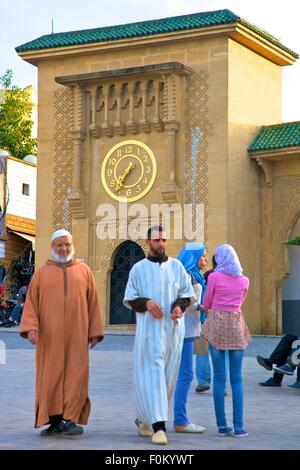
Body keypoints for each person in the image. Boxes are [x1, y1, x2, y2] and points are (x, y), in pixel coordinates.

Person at [20, 229, 104, 436]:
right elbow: (31, 303)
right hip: (49, 337)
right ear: (52, 247)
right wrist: (31, 328)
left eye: (67, 244)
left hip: (78, 336)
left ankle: (71, 420)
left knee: (76, 376)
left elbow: (93, 303)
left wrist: (95, 331)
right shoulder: (41, 273)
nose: (64, 248)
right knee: (50, 377)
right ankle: (54, 421)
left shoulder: (84, 271)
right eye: (60, 245)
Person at [123, 226, 194, 445]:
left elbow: (186, 295)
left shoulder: (177, 266)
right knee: (152, 375)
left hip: (172, 332)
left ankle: (144, 419)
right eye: (156, 240)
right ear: (148, 242)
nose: (161, 243)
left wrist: (178, 307)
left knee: (167, 379)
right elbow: (130, 298)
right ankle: (159, 427)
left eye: (163, 240)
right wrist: (147, 302)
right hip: (149, 333)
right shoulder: (138, 269)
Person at [201, 244, 251, 437]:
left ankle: (222, 425)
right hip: (236, 326)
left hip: (217, 327)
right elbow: (240, 303)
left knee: (219, 377)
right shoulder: (245, 280)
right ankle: (239, 427)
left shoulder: (213, 277)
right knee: (237, 378)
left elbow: (207, 304)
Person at [173, 242, 207, 434]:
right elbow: (189, 302)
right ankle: (180, 420)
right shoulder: (188, 275)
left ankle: (149, 416)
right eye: (202, 256)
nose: (205, 260)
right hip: (184, 330)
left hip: (190, 329)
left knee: (175, 374)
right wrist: (206, 307)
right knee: (185, 375)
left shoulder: (193, 274)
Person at [195, 252, 211, 393]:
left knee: (202, 351)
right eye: (203, 256)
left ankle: (204, 380)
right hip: (198, 319)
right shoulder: (192, 275)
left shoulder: (201, 275)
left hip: (204, 317)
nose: (206, 259)